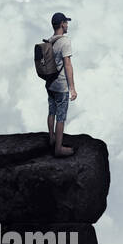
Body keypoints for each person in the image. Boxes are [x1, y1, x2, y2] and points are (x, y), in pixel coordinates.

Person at [46, 12, 77, 157]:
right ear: (62, 24)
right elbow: (68, 65)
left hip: (50, 84)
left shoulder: (50, 40)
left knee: (51, 111)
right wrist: (72, 88)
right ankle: (58, 148)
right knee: (61, 116)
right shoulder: (65, 42)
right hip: (60, 85)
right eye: (66, 22)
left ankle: (51, 137)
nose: (67, 25)